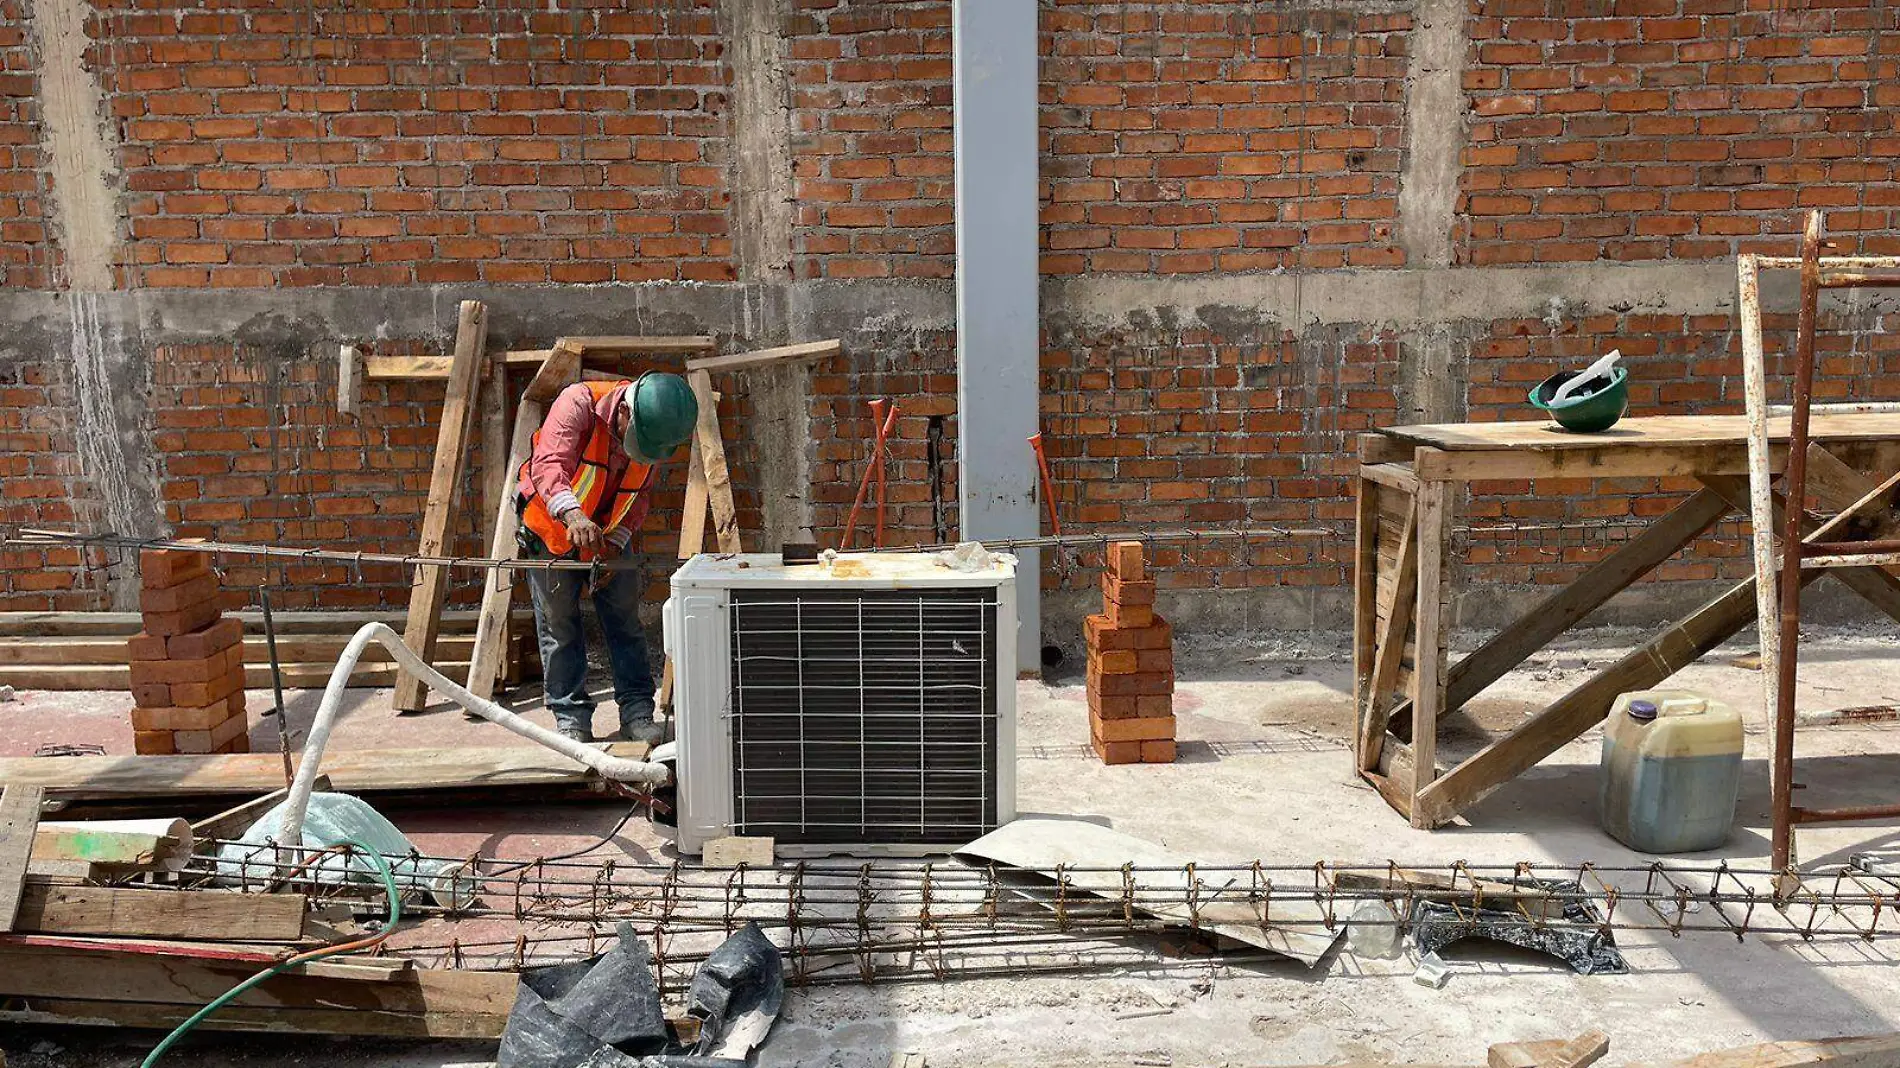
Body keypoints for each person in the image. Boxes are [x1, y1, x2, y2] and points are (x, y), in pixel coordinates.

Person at [515, 372, 698, 744]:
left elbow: (638, 496)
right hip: (552, 530)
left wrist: (615, 543)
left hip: (606, 533)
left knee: (625, 623)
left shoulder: (654, 428)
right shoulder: (577, 403)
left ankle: (637, 714)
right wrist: (574, 516)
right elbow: (550, 466)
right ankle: (572, 720)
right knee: (560, 627)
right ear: (625, 413)